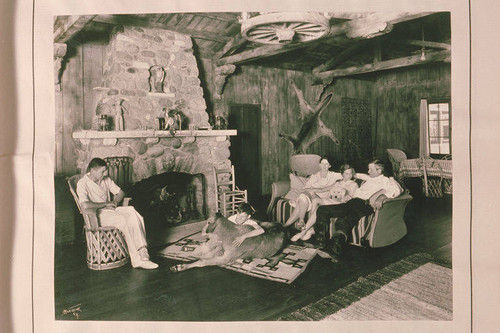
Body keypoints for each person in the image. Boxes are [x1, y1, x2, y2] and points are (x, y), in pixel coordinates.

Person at [77, 158, 158, 269]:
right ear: (93, 170)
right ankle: (137, 260)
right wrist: (106, 204)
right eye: (102, 171)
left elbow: (121, 192)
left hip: (111, 210)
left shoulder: (105, 179)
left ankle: (142, 250)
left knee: (132, 211)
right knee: (124, 220)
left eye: (105, 171)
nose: (105, 173)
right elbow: (85, 205)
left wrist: (114, 202)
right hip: (98, 215)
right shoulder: (82, 183)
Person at [315, 159, 403, 259]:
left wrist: (382, 197)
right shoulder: (370, 178)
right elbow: (358, 175)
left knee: (336, 218)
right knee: (325, 211)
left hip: (364, 204)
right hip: (353, 202)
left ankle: (332, 250)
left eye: (371, 169)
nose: (368, 171)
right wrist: (349, 173)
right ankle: (322, 243)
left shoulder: (386, 180)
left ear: (379, 171)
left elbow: (397, 189)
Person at [291, 164, 359, 242]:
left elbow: (353, 198)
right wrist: (308, 189)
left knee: (319, 209)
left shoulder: (354, 184)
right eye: (347, 173)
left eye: (350, 173)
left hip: (341, 204)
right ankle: (311, 228)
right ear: (342, 174)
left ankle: (303, 232)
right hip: (332, 201)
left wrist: (345, 197)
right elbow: (323, 189)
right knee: (315, 200)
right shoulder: (338, 183)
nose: (349, 176)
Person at [283, 157, 342, 233]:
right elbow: (304, 189)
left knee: (301, 202)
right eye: (322, 163)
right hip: (310, 196)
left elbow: (347, 174)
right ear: (319, 165)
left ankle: (285, 226)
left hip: (320, 199)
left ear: (329, 166)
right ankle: (301, 221)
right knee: (303, 196)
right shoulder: (314, 176)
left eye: (326, 164)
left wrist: (359, 176)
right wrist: (312, 193)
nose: (324, 166)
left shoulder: (333, 175)